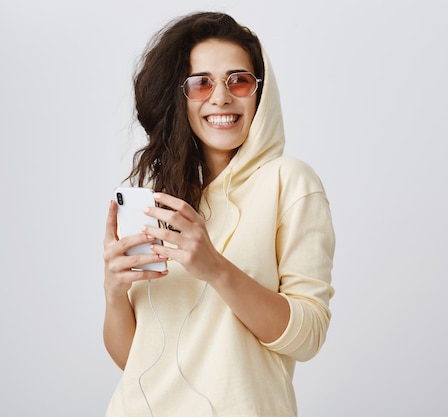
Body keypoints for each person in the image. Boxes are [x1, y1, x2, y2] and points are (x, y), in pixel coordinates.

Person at [102, 11, 335, 417]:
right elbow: (133, 361)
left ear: (260, 93)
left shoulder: (289, 182)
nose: (221, 97)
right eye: (201, 83)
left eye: (238, 80)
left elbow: (308, 336)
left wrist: (214, 267)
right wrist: (114, 292)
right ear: (181, 98)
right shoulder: (164, 202)